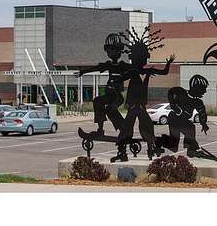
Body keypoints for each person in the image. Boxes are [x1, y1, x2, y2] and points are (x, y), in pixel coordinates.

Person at [111, 26, 174, 162]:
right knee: (131, 127)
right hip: (135, 106)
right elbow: (119, 79)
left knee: (144, 126)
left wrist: (168, 64)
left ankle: (149, 148)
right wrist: (116, 84)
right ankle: (124, 151)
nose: (141, 60)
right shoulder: (133, 72)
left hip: (138, 106)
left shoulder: (143, 71)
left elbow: (164, 72)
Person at [77, 33, 130, 135]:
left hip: (117, 96)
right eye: (109, 51)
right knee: (97, 101)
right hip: (109, 95)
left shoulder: (123, 66)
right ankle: (100, 129)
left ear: (119, 51)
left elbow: (135, 69)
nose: (110, 53)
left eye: (113, 51)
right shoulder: (108, 65)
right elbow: (96, 68)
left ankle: (123, 129)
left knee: (110, 109)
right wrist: (83, 71)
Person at [160, 74, 210, 157]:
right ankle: (158, 141)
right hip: (174, 119)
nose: (205, 92)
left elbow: (202, 113)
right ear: (196, 88)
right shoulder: (181, 93)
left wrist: (204, 124)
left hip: (183, 120)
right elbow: (171, 91)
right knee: (174, 146)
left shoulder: (198, 102)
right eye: (203, 89)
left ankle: (191, 149)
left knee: (190, 128)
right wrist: (173, 105)